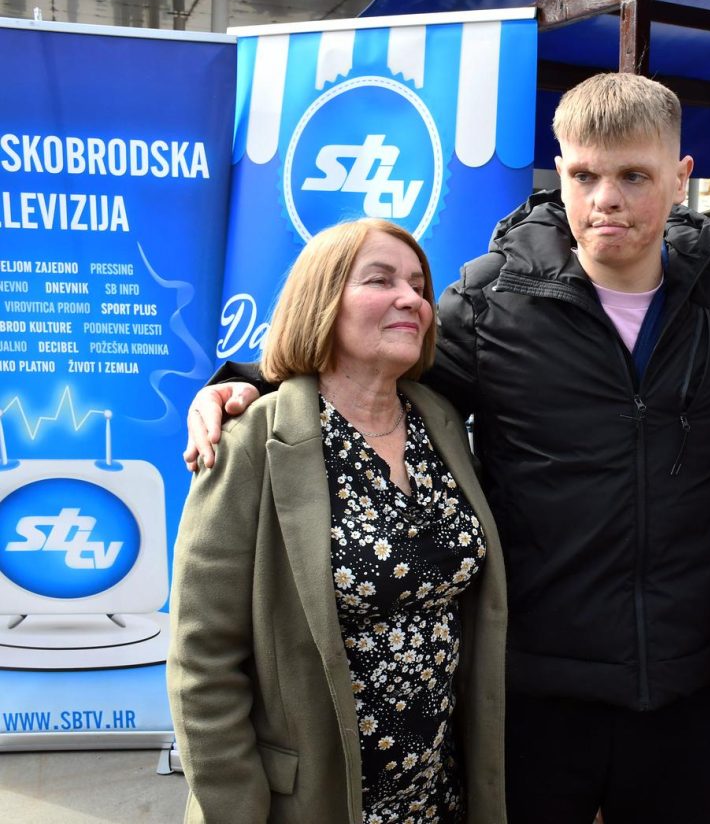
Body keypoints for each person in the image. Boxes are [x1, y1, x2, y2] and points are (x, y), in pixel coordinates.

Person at [182, 73, 710, 824]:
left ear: (680, 177)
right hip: (529, 695)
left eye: (635, 175)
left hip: (685, 691)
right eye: (584, 175)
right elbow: (369, 366)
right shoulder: (492, 298)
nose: (607, 199)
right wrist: (246, 383)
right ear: (560, 171)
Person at [167, 219, 508, 824]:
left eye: (417, 284)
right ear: (321, 301)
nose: (411, 298)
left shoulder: (441, 423)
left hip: (437, 793)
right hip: (315, 798)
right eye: (379, 280)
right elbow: (204, 661)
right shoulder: (252, 443)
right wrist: (231, 808)